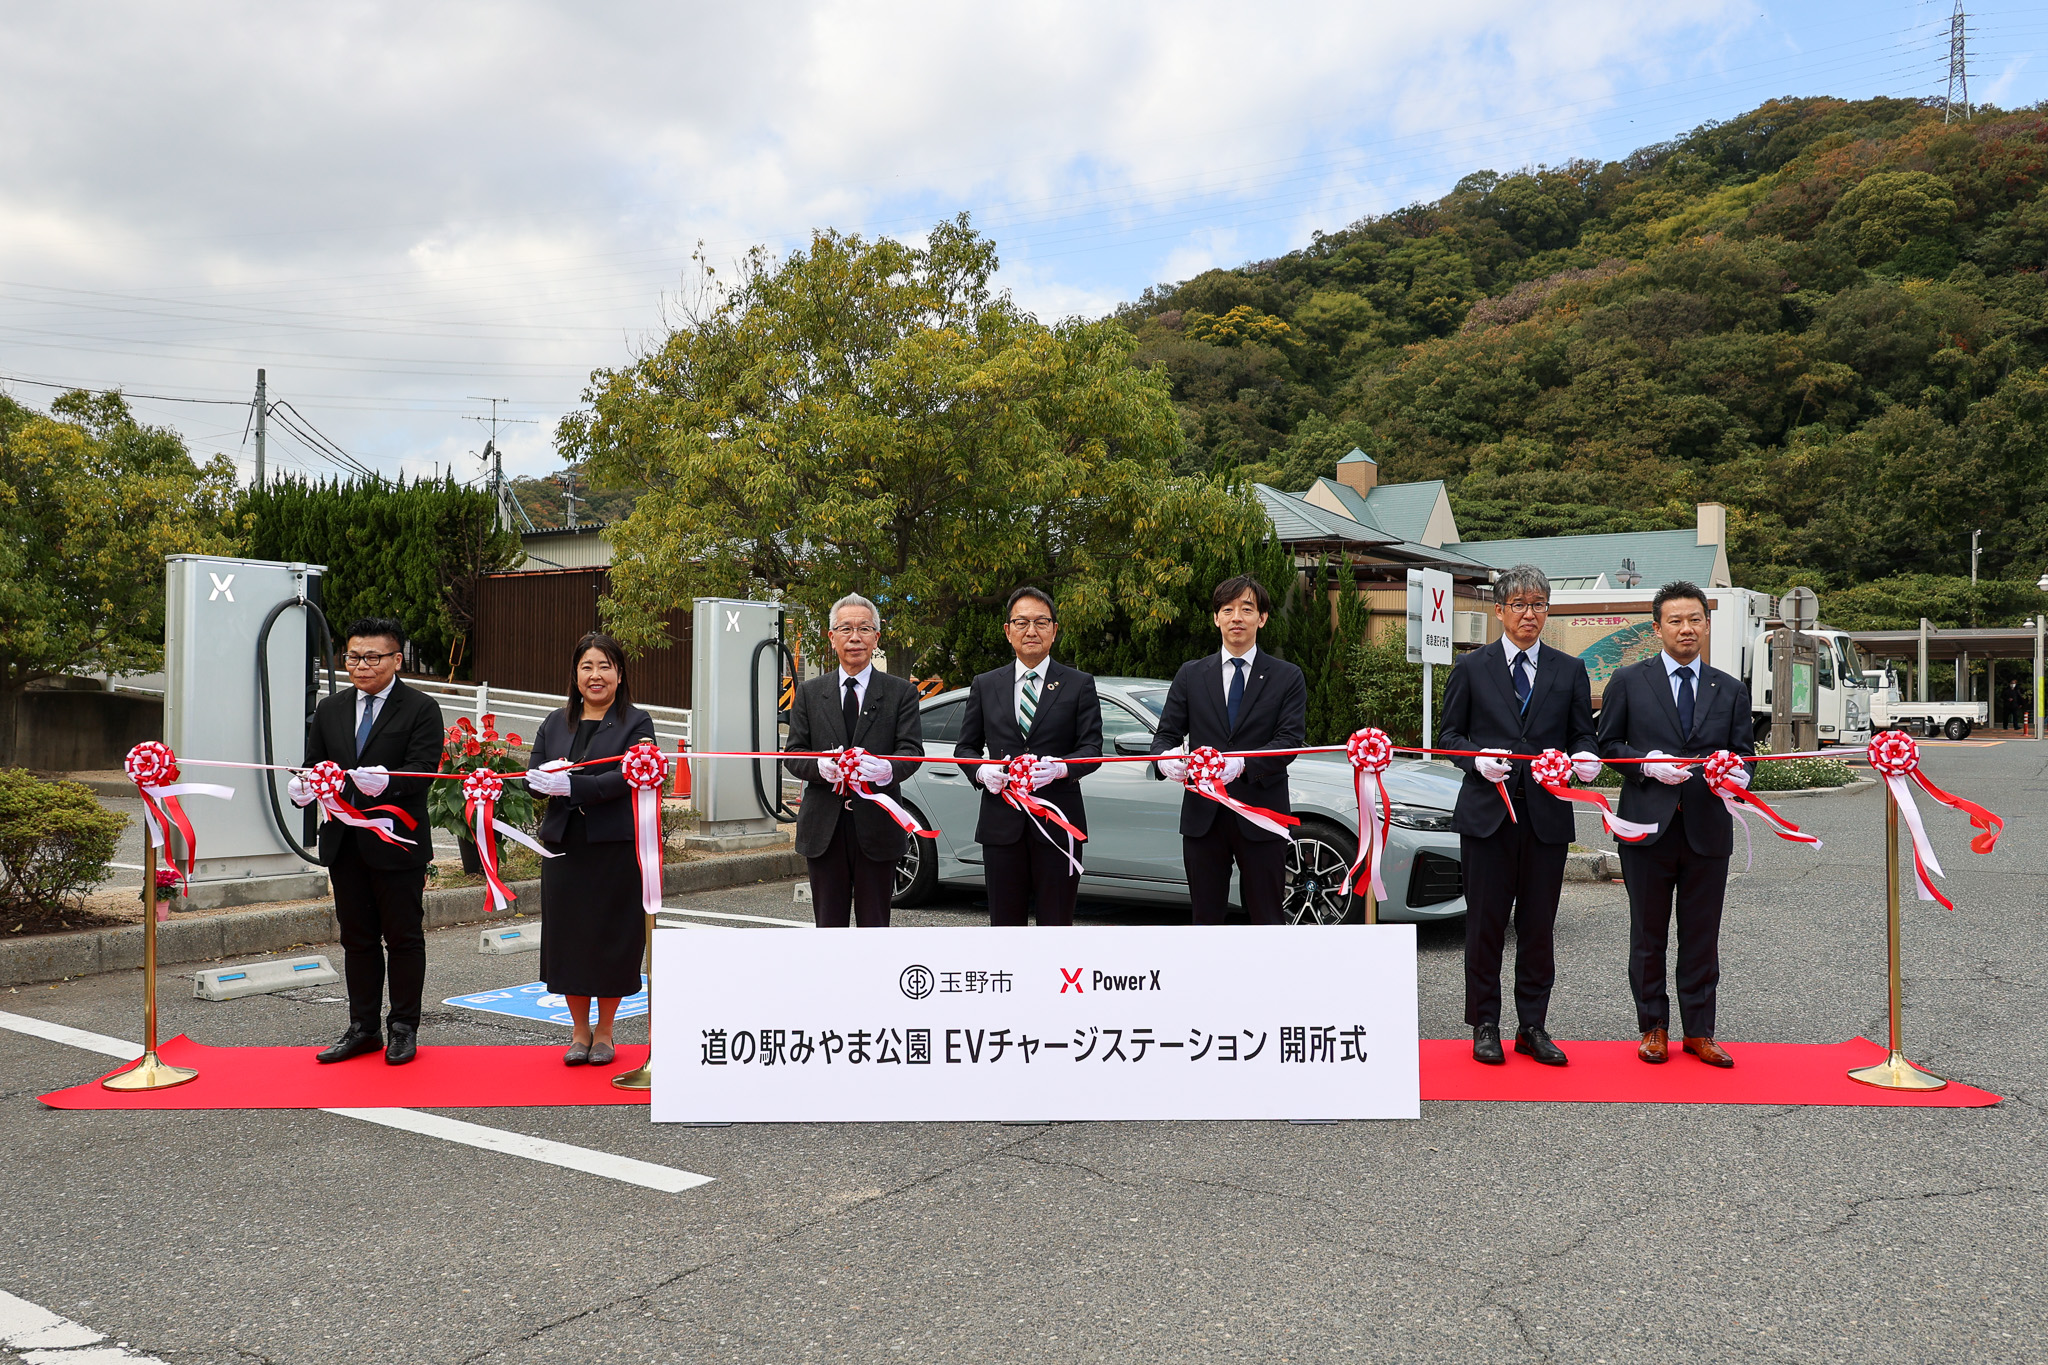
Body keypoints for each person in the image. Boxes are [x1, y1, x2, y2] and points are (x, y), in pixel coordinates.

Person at [1439, 565, 1599, 1068]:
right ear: (1500, 610)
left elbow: (1581, 734)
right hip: (1488, 816)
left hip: (1547, 817)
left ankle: (1533, 1025)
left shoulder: (1569, 670)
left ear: (1547, 611)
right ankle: (1484, 1023)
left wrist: (1587, 758)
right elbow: (1449, 736)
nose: (1529, 613)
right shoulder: (1471, 667)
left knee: (1538, 926)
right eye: (1520, 604)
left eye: (1539, 604)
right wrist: (1474, 760)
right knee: (1485, 924)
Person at [1596, 581, 1755, 1069]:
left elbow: (1747, 756)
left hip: (1708, 829)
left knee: (1702, 934)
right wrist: (1646, 764)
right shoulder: (1628, 680)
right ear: (1657, 627)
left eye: (1695, 620)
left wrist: (1738, 774)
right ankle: (1654, 1028)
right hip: (1647, 828)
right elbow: (1608, 746)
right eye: (1675, 620)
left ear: (1707, 624)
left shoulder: (1729, 689)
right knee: (1648, 932)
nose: (1686, 629)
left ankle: (1700, 1031)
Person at [291, 618, 445, 1066]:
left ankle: (403, 1028)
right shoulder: (332, 708)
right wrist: (304, 785)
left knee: (402, 937)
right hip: (344, 842)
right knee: (356, 939)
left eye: (373, 657)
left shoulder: (420, 707)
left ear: (397, 659)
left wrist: (386, 784)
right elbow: (315, 763)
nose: (362, 665)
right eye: (354, 656)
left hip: (397, 841)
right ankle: (363, 1028)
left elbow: (424, 769)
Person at [523, 633, 658, 1067]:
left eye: (604, 666)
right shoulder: (553, 722)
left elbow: (629, 777)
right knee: (570, 940)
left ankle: (605, 1032)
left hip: (614, 848)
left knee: (611, 940)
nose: (595, 675)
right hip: (564, 848)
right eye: (587, 667)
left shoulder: (637, 722)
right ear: (575, 674)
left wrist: (573, 786)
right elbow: (532, 776)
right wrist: (542, 781)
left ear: (619, 674)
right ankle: (579, 1032)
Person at [1147, 575, 1308, 924]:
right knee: (1205, 917)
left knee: (1267, 915)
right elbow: (1165, 734)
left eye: (1247, 609)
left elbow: (1289, 741)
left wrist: (1244, 764)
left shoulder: (1287, 676)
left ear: (1262, 618)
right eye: (1227, 609)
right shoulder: (1191, 674)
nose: (1237, 617)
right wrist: (1165, 759)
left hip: (1262, 812)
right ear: (1216, 618)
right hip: (1204, 817)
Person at [953, 586, 1104, 926]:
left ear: (1054, 629)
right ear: (1008, 631)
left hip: (1058, 822)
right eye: (1021, 622)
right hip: (1001, 826)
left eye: (1040, 622)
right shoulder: (986, 683)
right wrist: (981, 772)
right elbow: (965, 748)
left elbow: (1092, 749)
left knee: (1056, 923)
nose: (1031, 630)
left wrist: (1061, 769)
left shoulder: (1079, 684)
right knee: (1006, 926)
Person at [783, 594, 925, 927]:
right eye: (845, 628)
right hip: (824, 829)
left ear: (877, 636)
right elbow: (793, 753)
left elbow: (912, 751)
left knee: (874, 925)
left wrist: (887, 768)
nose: (855, 637)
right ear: (831, 637)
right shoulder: (809, 692)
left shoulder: (900, 692)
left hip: (877, 825)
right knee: (828, 926)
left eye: (864, 628)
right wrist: (819, 766)